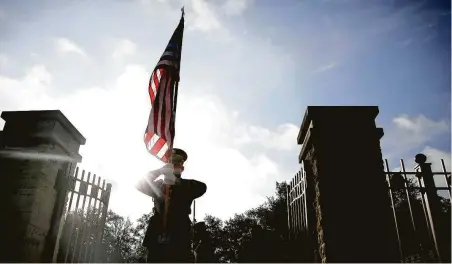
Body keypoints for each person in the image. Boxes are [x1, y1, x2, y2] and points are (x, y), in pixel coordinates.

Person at [135, 148, 207, 263]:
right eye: (170, 162)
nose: (173, 165)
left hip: (180, 237)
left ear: (182, 167)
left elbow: (202, 187)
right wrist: (159, 171)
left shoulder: (187, 185)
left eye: (176, 162)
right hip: (157, 238)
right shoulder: (158, 186)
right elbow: (139, 184)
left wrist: (176, 181)